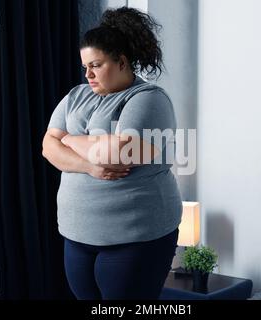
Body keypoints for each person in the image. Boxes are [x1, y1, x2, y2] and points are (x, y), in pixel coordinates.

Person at [42, 7, 182, 300]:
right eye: (85, 67)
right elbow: (48, 148)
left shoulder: (148, 99)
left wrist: (67, 137)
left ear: (121, 61)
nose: (88, 74)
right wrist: (90, 165)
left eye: (96, 64)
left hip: (136, 237)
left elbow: (116, 155)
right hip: (76, 234)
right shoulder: (75, 96)